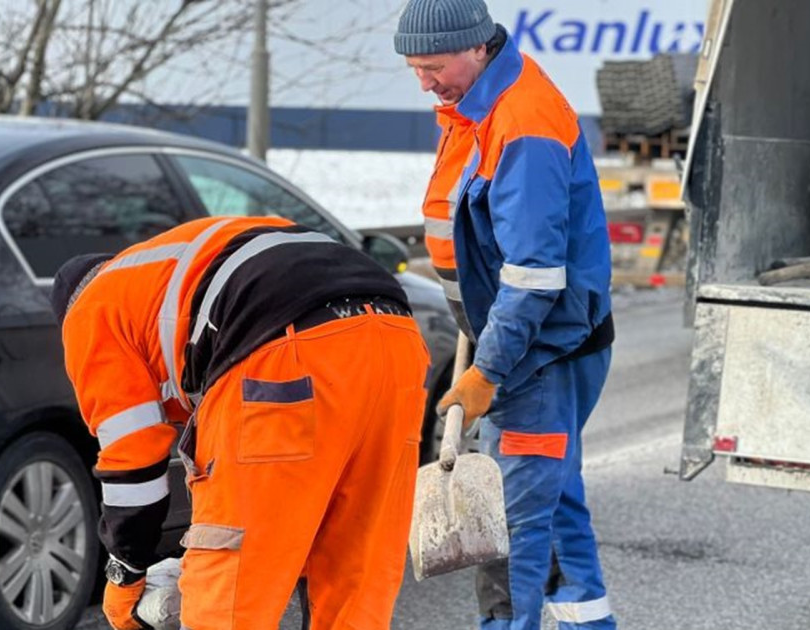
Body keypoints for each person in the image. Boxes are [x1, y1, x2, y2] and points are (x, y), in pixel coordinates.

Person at [51, 216, 431, 630]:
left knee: (229, 603)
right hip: (397, 342)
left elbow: (133, 463)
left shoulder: (90, 312)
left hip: (280, 351)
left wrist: (125, 573)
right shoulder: (157, 274)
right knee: (356, 578)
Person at [394, 1, 618, 628]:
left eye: (434, 67)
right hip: (526, 347)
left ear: (477, 48)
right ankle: (588, 620)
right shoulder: (473, 106)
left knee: (511, 531)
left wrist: (487, 371)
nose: (424, 82)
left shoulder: (522, 122)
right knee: (554, 503)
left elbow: (533, 277)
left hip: (535, 358)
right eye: (414, 69)